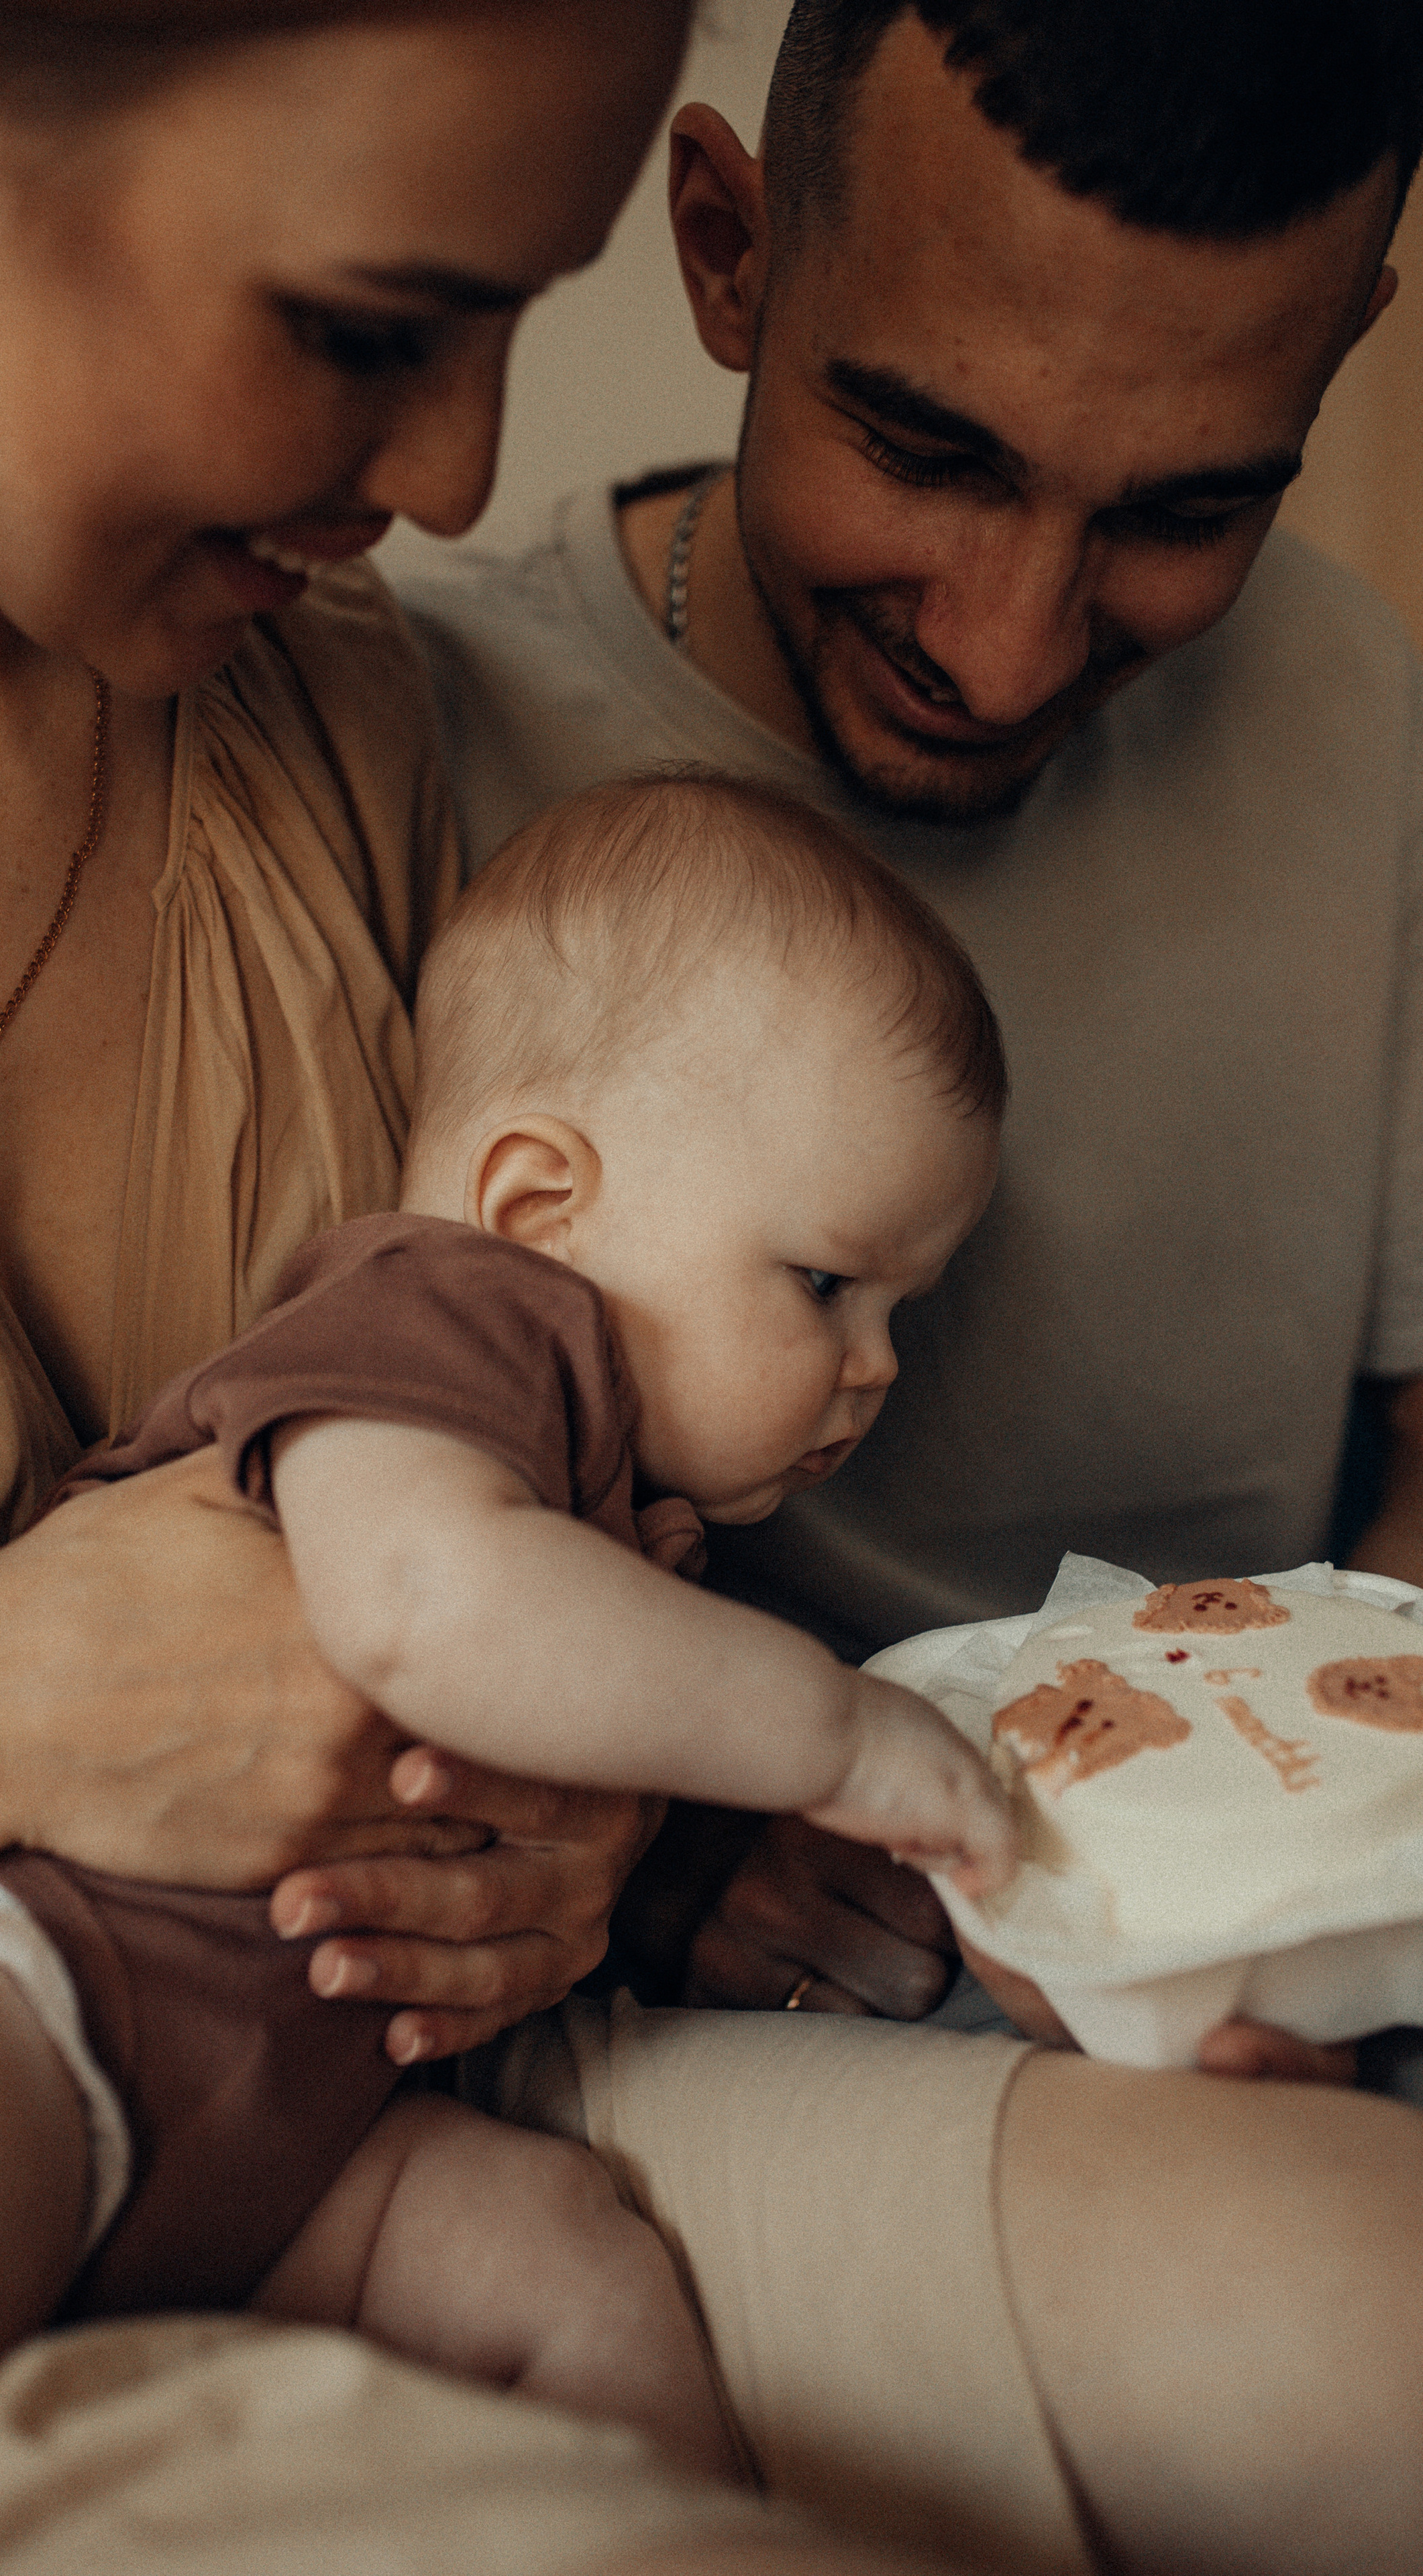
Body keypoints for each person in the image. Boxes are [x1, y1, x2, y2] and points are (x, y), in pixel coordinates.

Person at [0, 5, 1418, 2575]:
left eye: (513, 321)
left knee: (1357, 2326)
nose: (452, 480)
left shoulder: (355, 724)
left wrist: (611, 1829)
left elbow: (565, 1489)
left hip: (412, 2085)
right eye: (369, 324)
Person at [0, 773, 1018, 2571]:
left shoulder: (620, 1490)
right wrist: (831, 1726)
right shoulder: (454, 1317)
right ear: (541, 1198)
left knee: (586, 2274)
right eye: (825, 1285)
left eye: (904, 1316)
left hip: (302, 2123)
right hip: (24, 1993)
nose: (871, 1372)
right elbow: (424, 1606)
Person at [391, 0, 1423, 2042]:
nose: (1011, 642)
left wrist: (1330, 1848)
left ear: (1347, 341)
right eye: (929, 454)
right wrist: (674, 1832)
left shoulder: (1351, 701)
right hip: (753, 1999)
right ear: (727, 249)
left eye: (1182, 514)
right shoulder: (415, 751)